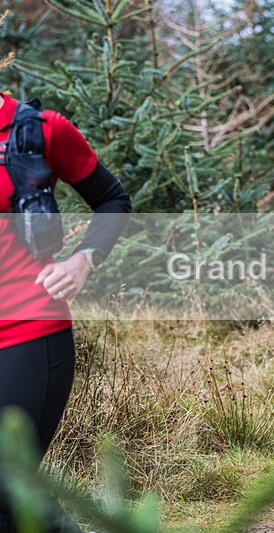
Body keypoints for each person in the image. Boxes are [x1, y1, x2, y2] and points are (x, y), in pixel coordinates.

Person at [0, 93, 131, 530]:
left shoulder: (41, 130)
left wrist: (83, 259)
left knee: (9, 486)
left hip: (27, 332)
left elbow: (113, 200)